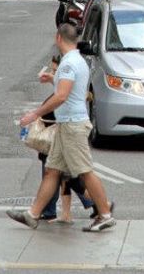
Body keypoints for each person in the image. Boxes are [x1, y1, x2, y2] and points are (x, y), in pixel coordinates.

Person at [7, 24, 115, 233]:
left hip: (72, 126)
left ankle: (105, 214)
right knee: (52, 170)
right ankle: (33, 214)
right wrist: (53, 79)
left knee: (85, 171)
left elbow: (62, 96)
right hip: (68, 124)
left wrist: (35, 113)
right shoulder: (78, 60)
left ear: (58, 38)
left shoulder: (67, 64)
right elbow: (69, 90)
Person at [34, 56, 99, 224]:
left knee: (72, 176)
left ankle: (99, 204)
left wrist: (36, 114)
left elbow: (66, 96)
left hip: (66, 132)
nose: (53, 73)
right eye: (52, 70)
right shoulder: (62, 84)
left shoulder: (68, 87)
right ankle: (59, 212)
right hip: (61, 133)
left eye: (56, 71)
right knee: (64, 176)